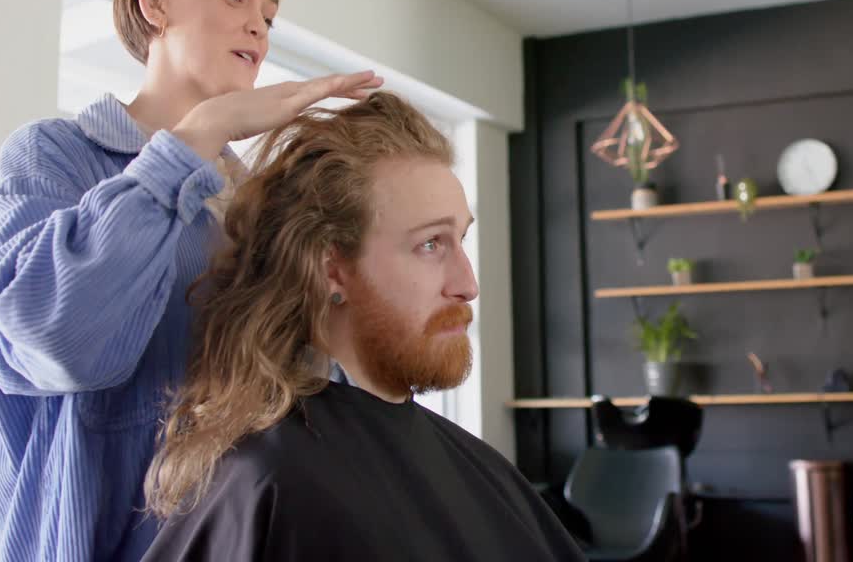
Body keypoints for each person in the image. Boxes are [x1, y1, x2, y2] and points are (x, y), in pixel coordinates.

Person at [0, 0, 382, 561]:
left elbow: (310, 399)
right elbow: (62, 340)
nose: (258, 26)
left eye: (270, 15)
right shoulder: (54, 157)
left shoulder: (265, 207)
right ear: (153, 0)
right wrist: (195, 138)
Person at [139, 92, 584, 561]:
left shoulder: (479, 467)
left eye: (460, 239)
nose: (467, 284)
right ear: (332, 270)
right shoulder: (266, 483)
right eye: (431, 244)